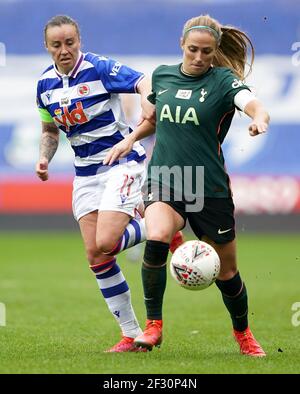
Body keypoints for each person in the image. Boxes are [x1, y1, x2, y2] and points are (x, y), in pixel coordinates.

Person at [104, 14, 270, 356]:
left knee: (227, 273)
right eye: (193, 49)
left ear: (215, 51)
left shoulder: (224, 81)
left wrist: (259, 119)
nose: (198, 57)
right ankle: (154, 328)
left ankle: (244, 335)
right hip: (166, 176)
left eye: (206, 52)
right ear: (182, 45)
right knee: (157, 236)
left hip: (208, 185)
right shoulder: (161, 77)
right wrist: (130, 139)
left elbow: (252, 104)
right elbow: (153, 120)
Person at [35, 15, 182, 353]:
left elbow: (143, 81)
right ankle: (131, 334)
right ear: (47, 47)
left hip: (121, 163)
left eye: (70, 42)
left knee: (107, 242)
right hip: (85, 175)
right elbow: (48, 132)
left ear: (79, 40)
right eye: (56, 45)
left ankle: (162, 222)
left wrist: (147, 101)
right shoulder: (44, 86)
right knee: (96, 256)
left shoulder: (99, 68)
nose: (64, 50)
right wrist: (44, 158)